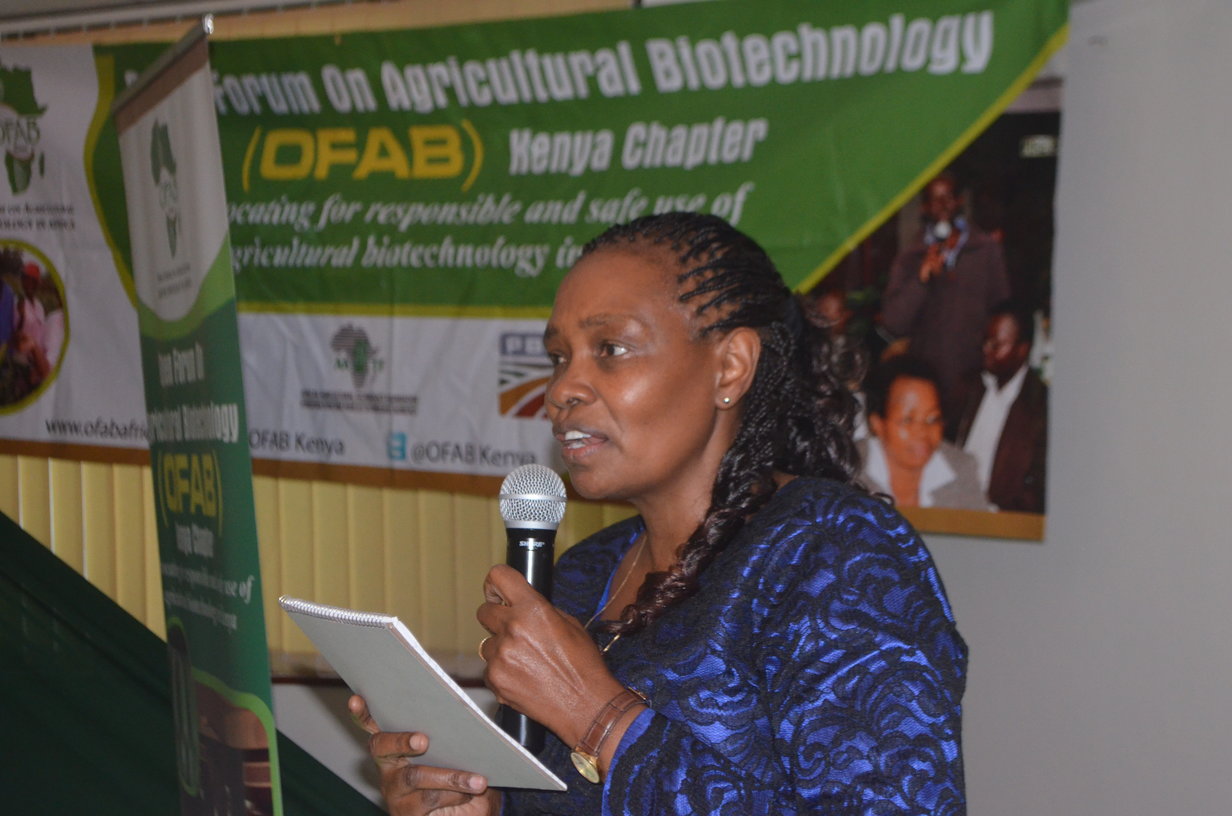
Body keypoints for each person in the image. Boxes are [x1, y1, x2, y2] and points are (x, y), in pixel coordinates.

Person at [350, 213, 967, 815]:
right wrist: (477, 807)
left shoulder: (833, 552)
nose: (561, 390)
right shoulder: (583, 573)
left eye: (610, 349)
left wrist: (598, 716)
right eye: (559, 356)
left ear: (730, 366)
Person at [881, 172, 1010, 420]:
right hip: (927, 381)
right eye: (935, 199)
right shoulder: (910, 257)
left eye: (949, 197)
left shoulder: (986, 250)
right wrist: (921, 280)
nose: (942, 205)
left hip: (974, 378)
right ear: (924, 207)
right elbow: (894, 323)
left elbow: (1001, 311)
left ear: (960, 201)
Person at [950, 305, 1048, 513]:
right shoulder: (968, 387)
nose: (986, 349)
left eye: (996, 345)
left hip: (1002, 518)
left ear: (1023, 350)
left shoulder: (1040, 406)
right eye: (985, 341)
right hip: (953, 506)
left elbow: (1040, 488)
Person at [858, 356, 988, 511]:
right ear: (877, 423)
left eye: (933, 419)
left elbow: (978, 525)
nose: (922, 433)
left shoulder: (960, 469)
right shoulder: (850, 471)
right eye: (908, 420)